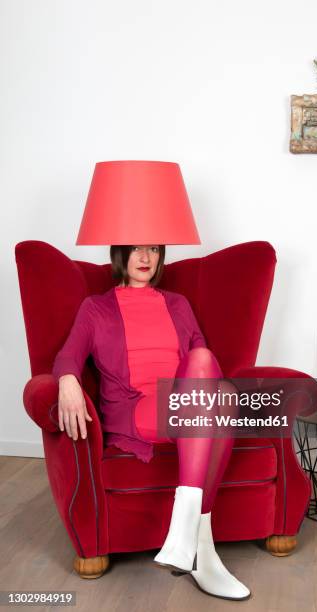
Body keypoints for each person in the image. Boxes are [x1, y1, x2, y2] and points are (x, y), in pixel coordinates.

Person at [53, 244, 251, 601]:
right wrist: (67, 379)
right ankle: (198, 545)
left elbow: (203, 368)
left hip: (183, 407)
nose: (145, 258)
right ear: (121, 255)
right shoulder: (95, 307)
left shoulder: (178, 304)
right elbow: (68, 355)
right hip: (136, 410)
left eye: (153, 250)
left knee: (217, 383)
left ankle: (193, 542)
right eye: (136, 250)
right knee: (220, 397)